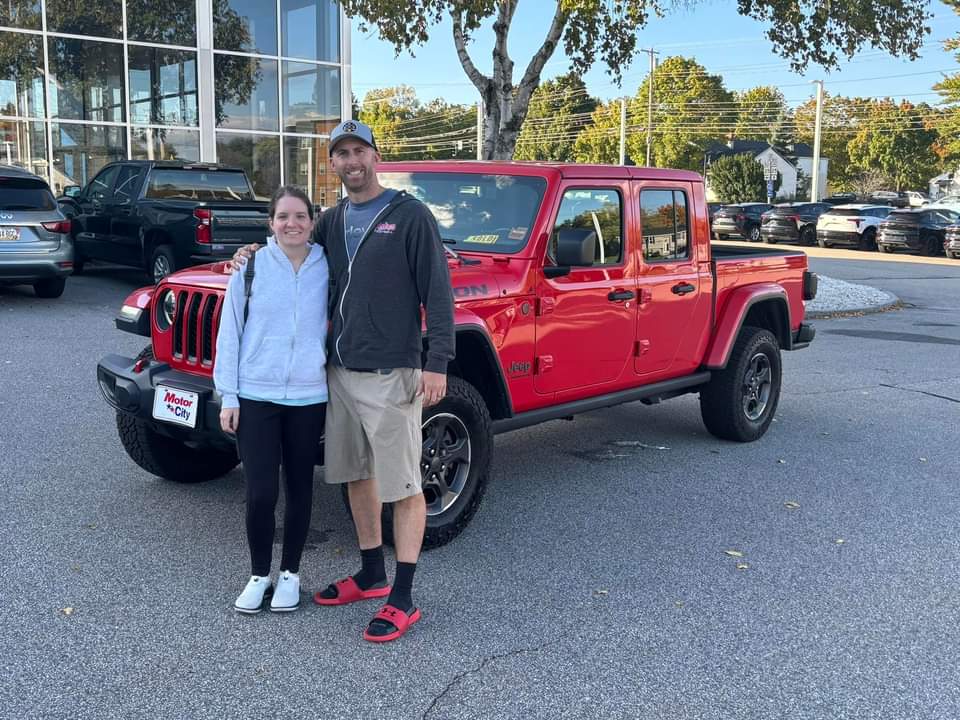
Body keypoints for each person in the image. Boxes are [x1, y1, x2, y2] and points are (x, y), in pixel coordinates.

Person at [233, 120, 454, 642]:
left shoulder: (409, 217)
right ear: (332, 163)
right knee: (357, 476)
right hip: (338, 373)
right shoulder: (331, 221)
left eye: (360, 151)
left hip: (391, 373)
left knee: (402, 485)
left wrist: (437, 361)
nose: (351, 161)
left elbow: (438, 293)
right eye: (341, 154)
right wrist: (247, 254)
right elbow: (289, 240)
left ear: (375, 157)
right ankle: (371, 573)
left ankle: (403, 596)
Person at [215, 185, 329, 614]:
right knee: (261, 492)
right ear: (271, 223)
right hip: (256, 395)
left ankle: (290, 575)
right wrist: (229, 395)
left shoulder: (327, 265)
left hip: (308, 395)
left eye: (300, 216)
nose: (292, 224)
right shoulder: (250, 268)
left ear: (312, 222)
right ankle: (260, 573)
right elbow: (231, 334)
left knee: (300, 488)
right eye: (283, 216)